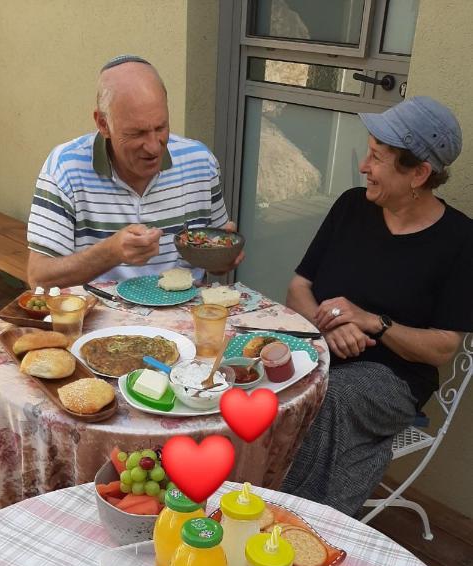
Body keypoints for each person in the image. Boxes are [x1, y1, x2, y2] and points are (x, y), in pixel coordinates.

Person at [283, 95, 473, 517]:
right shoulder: (352, 206)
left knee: (326, 398)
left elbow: (443, 348)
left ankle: (301, 519)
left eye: (376, 157)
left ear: (419, 173)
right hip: (320, 347)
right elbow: (298, 288)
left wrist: (373, 322)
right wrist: (331, 326)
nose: (363, 167)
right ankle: (246, 489)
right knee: (258, 373)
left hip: (392, 379)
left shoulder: (460, 242)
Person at [27, 55, 242, 288]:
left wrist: (222, 258)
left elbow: (217, 262)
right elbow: (39, 279)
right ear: (102, 124)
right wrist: (110, 252)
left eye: (160, 127)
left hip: (184, 319)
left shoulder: (201, 163)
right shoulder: (64, 169)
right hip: (101, 319)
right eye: (136, 133)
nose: (152, 146)